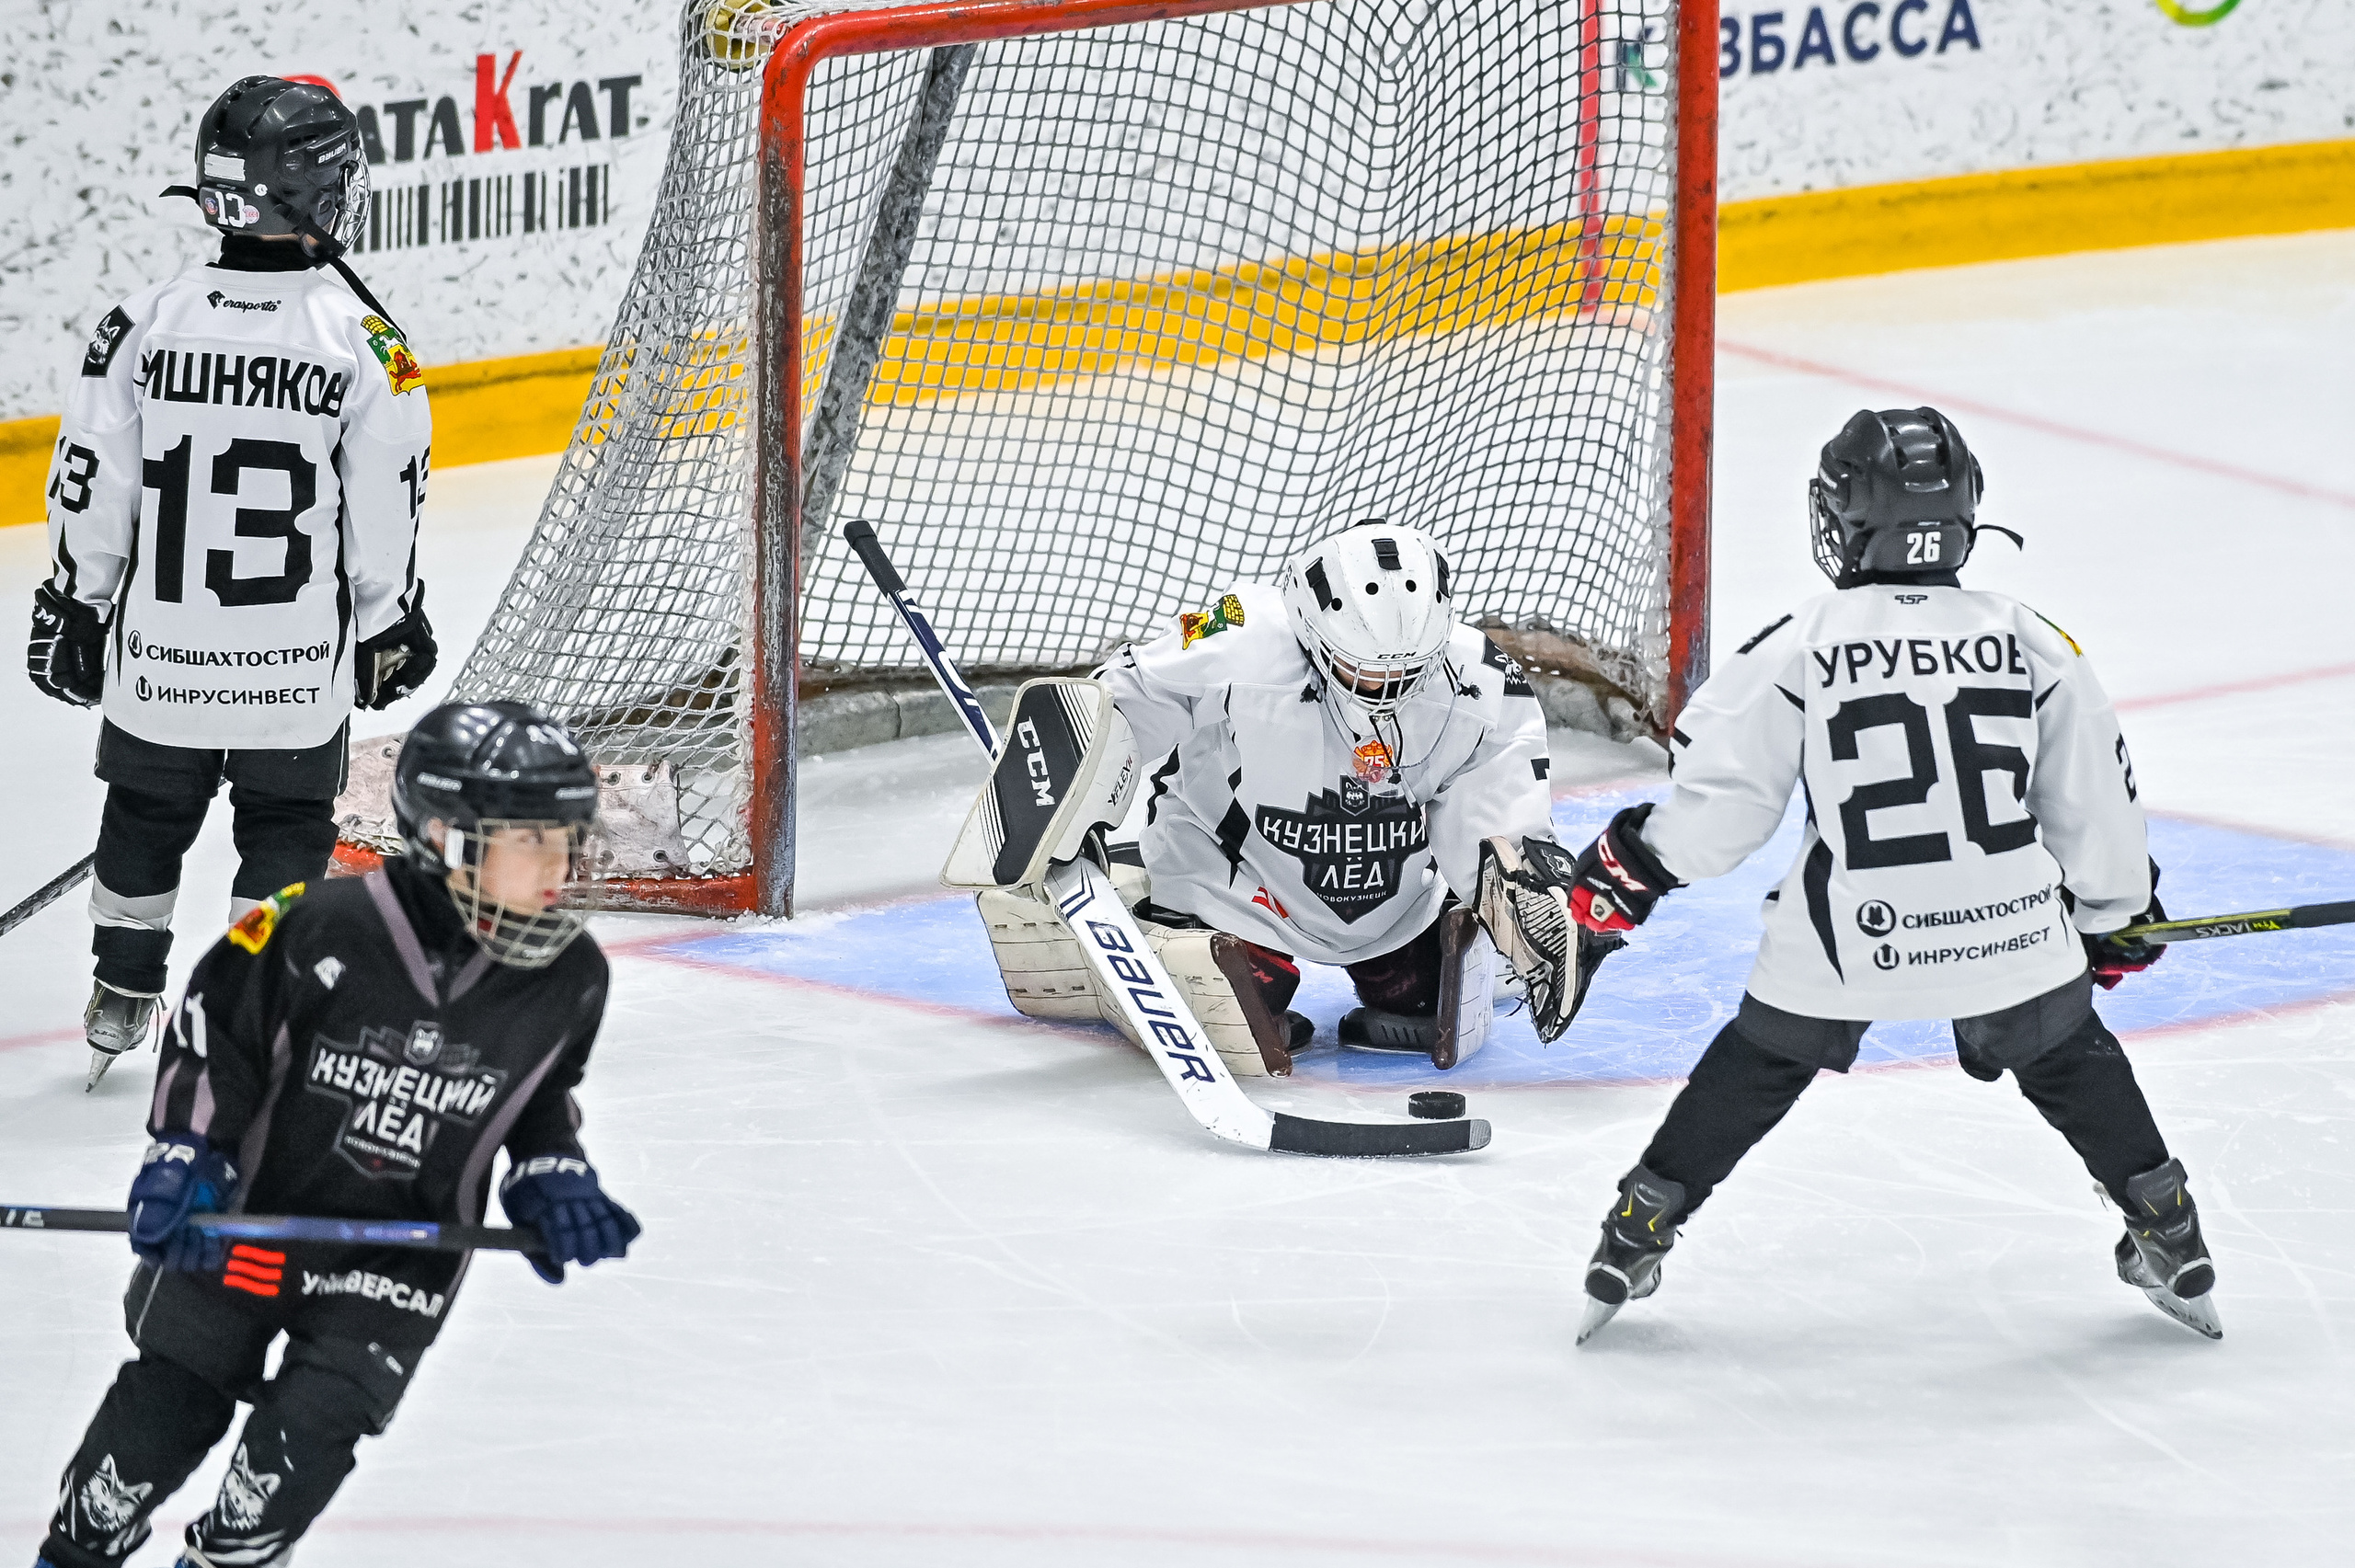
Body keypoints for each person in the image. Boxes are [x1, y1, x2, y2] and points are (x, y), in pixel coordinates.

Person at [1561, 407, 2214, 1343]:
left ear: (1848, 517)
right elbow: (2094, 804)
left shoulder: (1796, 642)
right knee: (2066, 1050)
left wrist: (1633, 865)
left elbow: (1719, 820)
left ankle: (1638, 1225)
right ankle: (2167, 1226)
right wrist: (2114, 916)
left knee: (1760, 1062)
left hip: (1846, 943)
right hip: (2009, 929)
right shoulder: (2033, 638)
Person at [34, 700, 639, 1568]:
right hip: (248, 1224)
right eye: (533, 841)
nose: (561, 866)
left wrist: (552, 1173)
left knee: (313, 1433)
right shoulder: (310, 921)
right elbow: (216, 1036)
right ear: (446, 836)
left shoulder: (572, 976)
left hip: (397, 1256)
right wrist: (186, 1153)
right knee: (167, 1411)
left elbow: (539, 1095)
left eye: (566, 840)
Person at [29, 75, 437, 1090]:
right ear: (309, 194)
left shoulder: (139, 322)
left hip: (160, 659)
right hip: (293, 670)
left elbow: (92, 482)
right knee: (287, 831)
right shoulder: (367, 341)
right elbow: (384, 503)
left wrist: (76, 602)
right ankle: (253, 1006)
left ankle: (122, 985)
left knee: (141, 814)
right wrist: (389, 621)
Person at [977, 519, 1578, 1076]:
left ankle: (1400, 953)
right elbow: (1137, 682)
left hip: (1393, 901)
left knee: (1417, 993)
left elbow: (1501, 810)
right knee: (1234, 1001)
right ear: (1312, 630)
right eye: (1363, 670)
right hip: (1236, 889)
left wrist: (1523, 892)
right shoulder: (1234, 618)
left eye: (1408, 671)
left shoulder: (1485, 677)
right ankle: (1183, 924)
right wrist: (1073, 782)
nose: (1385, 691)